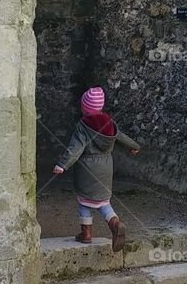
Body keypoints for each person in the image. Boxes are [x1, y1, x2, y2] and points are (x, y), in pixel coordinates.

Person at [52, 86, 140, 251]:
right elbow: (122, 137)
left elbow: (75, 148)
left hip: (87, 169)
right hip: (106, 168)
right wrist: (134, 146)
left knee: (84, 201)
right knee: (103, 202)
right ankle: (115, 224)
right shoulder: (110, 123)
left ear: (84, 107)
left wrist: (62, 164)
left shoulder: (83, 126)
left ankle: (86, 234)